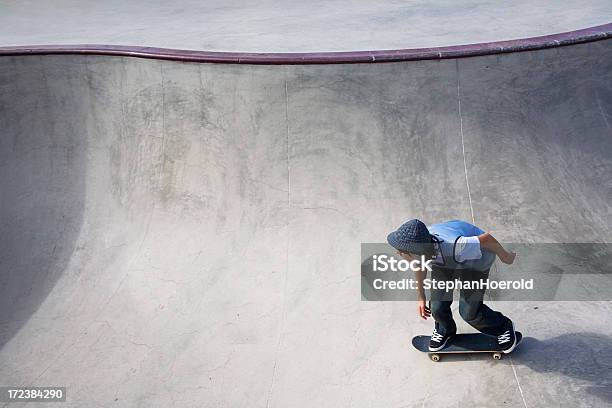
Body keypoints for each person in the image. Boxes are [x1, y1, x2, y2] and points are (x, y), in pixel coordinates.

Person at [387, 219, 518, 352]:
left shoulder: (456, 245)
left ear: (415, 252)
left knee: (469, 312)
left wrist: (505, 257)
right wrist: (421, 296)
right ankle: (445, 330)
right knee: (437, 306)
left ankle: (504, 327)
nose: (398, 253)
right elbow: (419, 266)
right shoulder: (420, 246)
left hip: (476, 260)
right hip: (445, 261)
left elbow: (487, 239)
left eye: (401, 251)